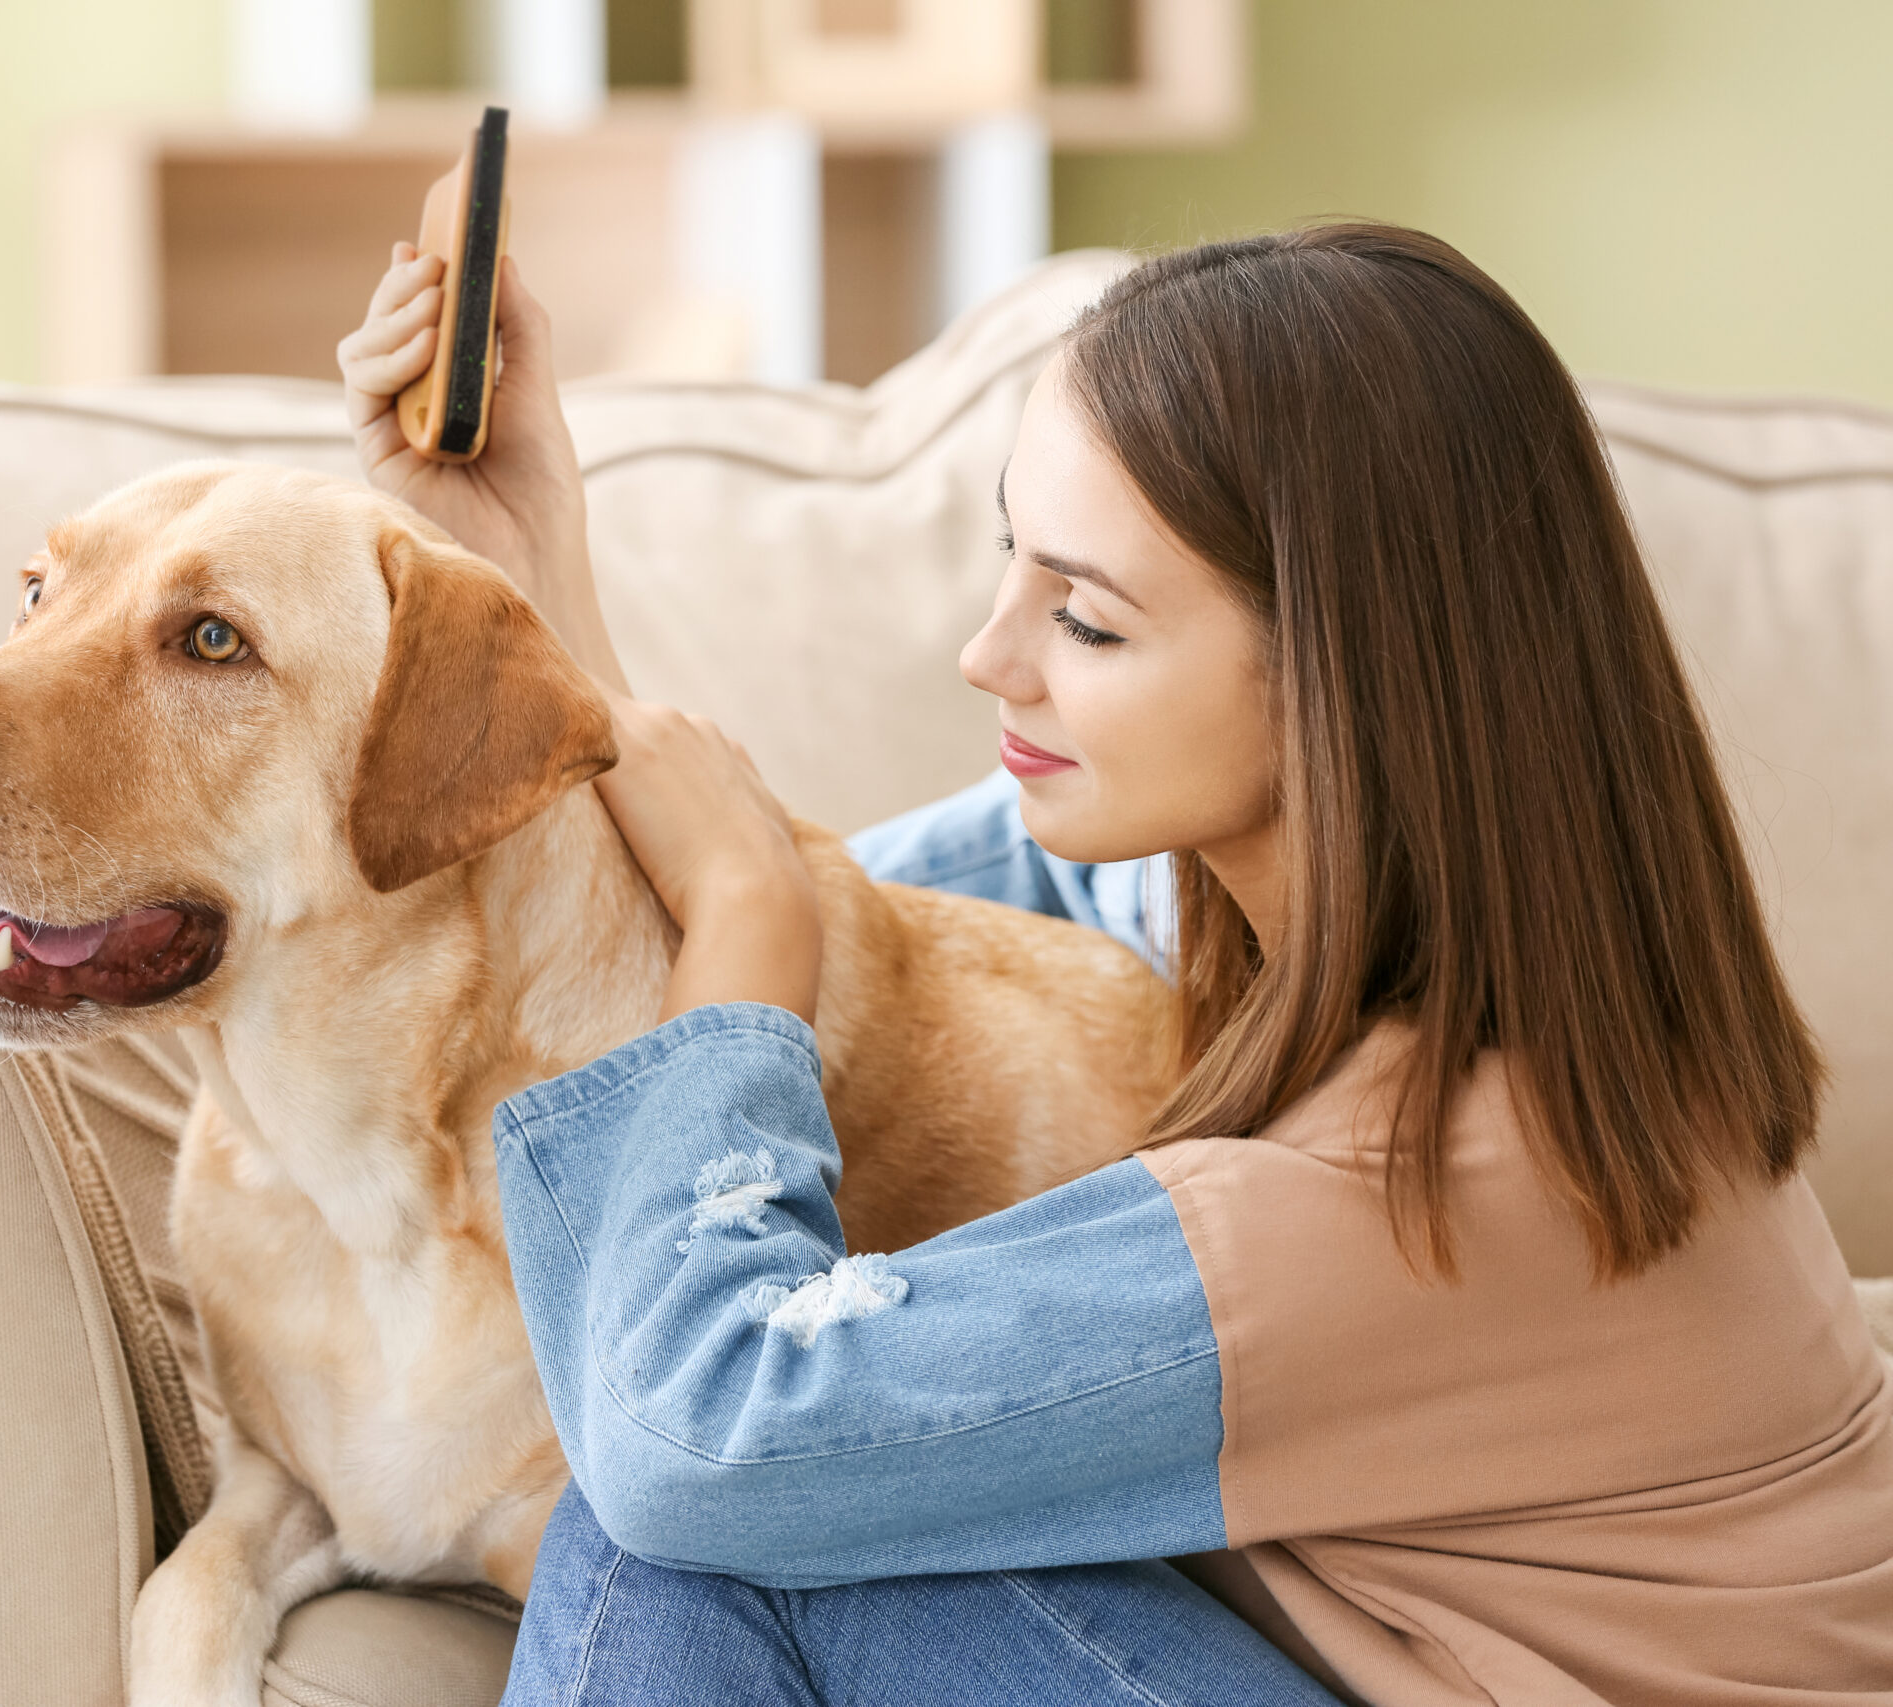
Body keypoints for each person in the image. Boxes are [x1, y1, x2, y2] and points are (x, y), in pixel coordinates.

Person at [338, 226, 1893, 1704]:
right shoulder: (1404, 939)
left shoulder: (1400, 1197)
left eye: (1084, 618)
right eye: (1015, 557)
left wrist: (752, 929)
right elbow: (767, 897)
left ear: (1341, 686)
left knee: (687, 1511)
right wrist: (532, 594)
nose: (990, 653)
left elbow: (695, 1434)